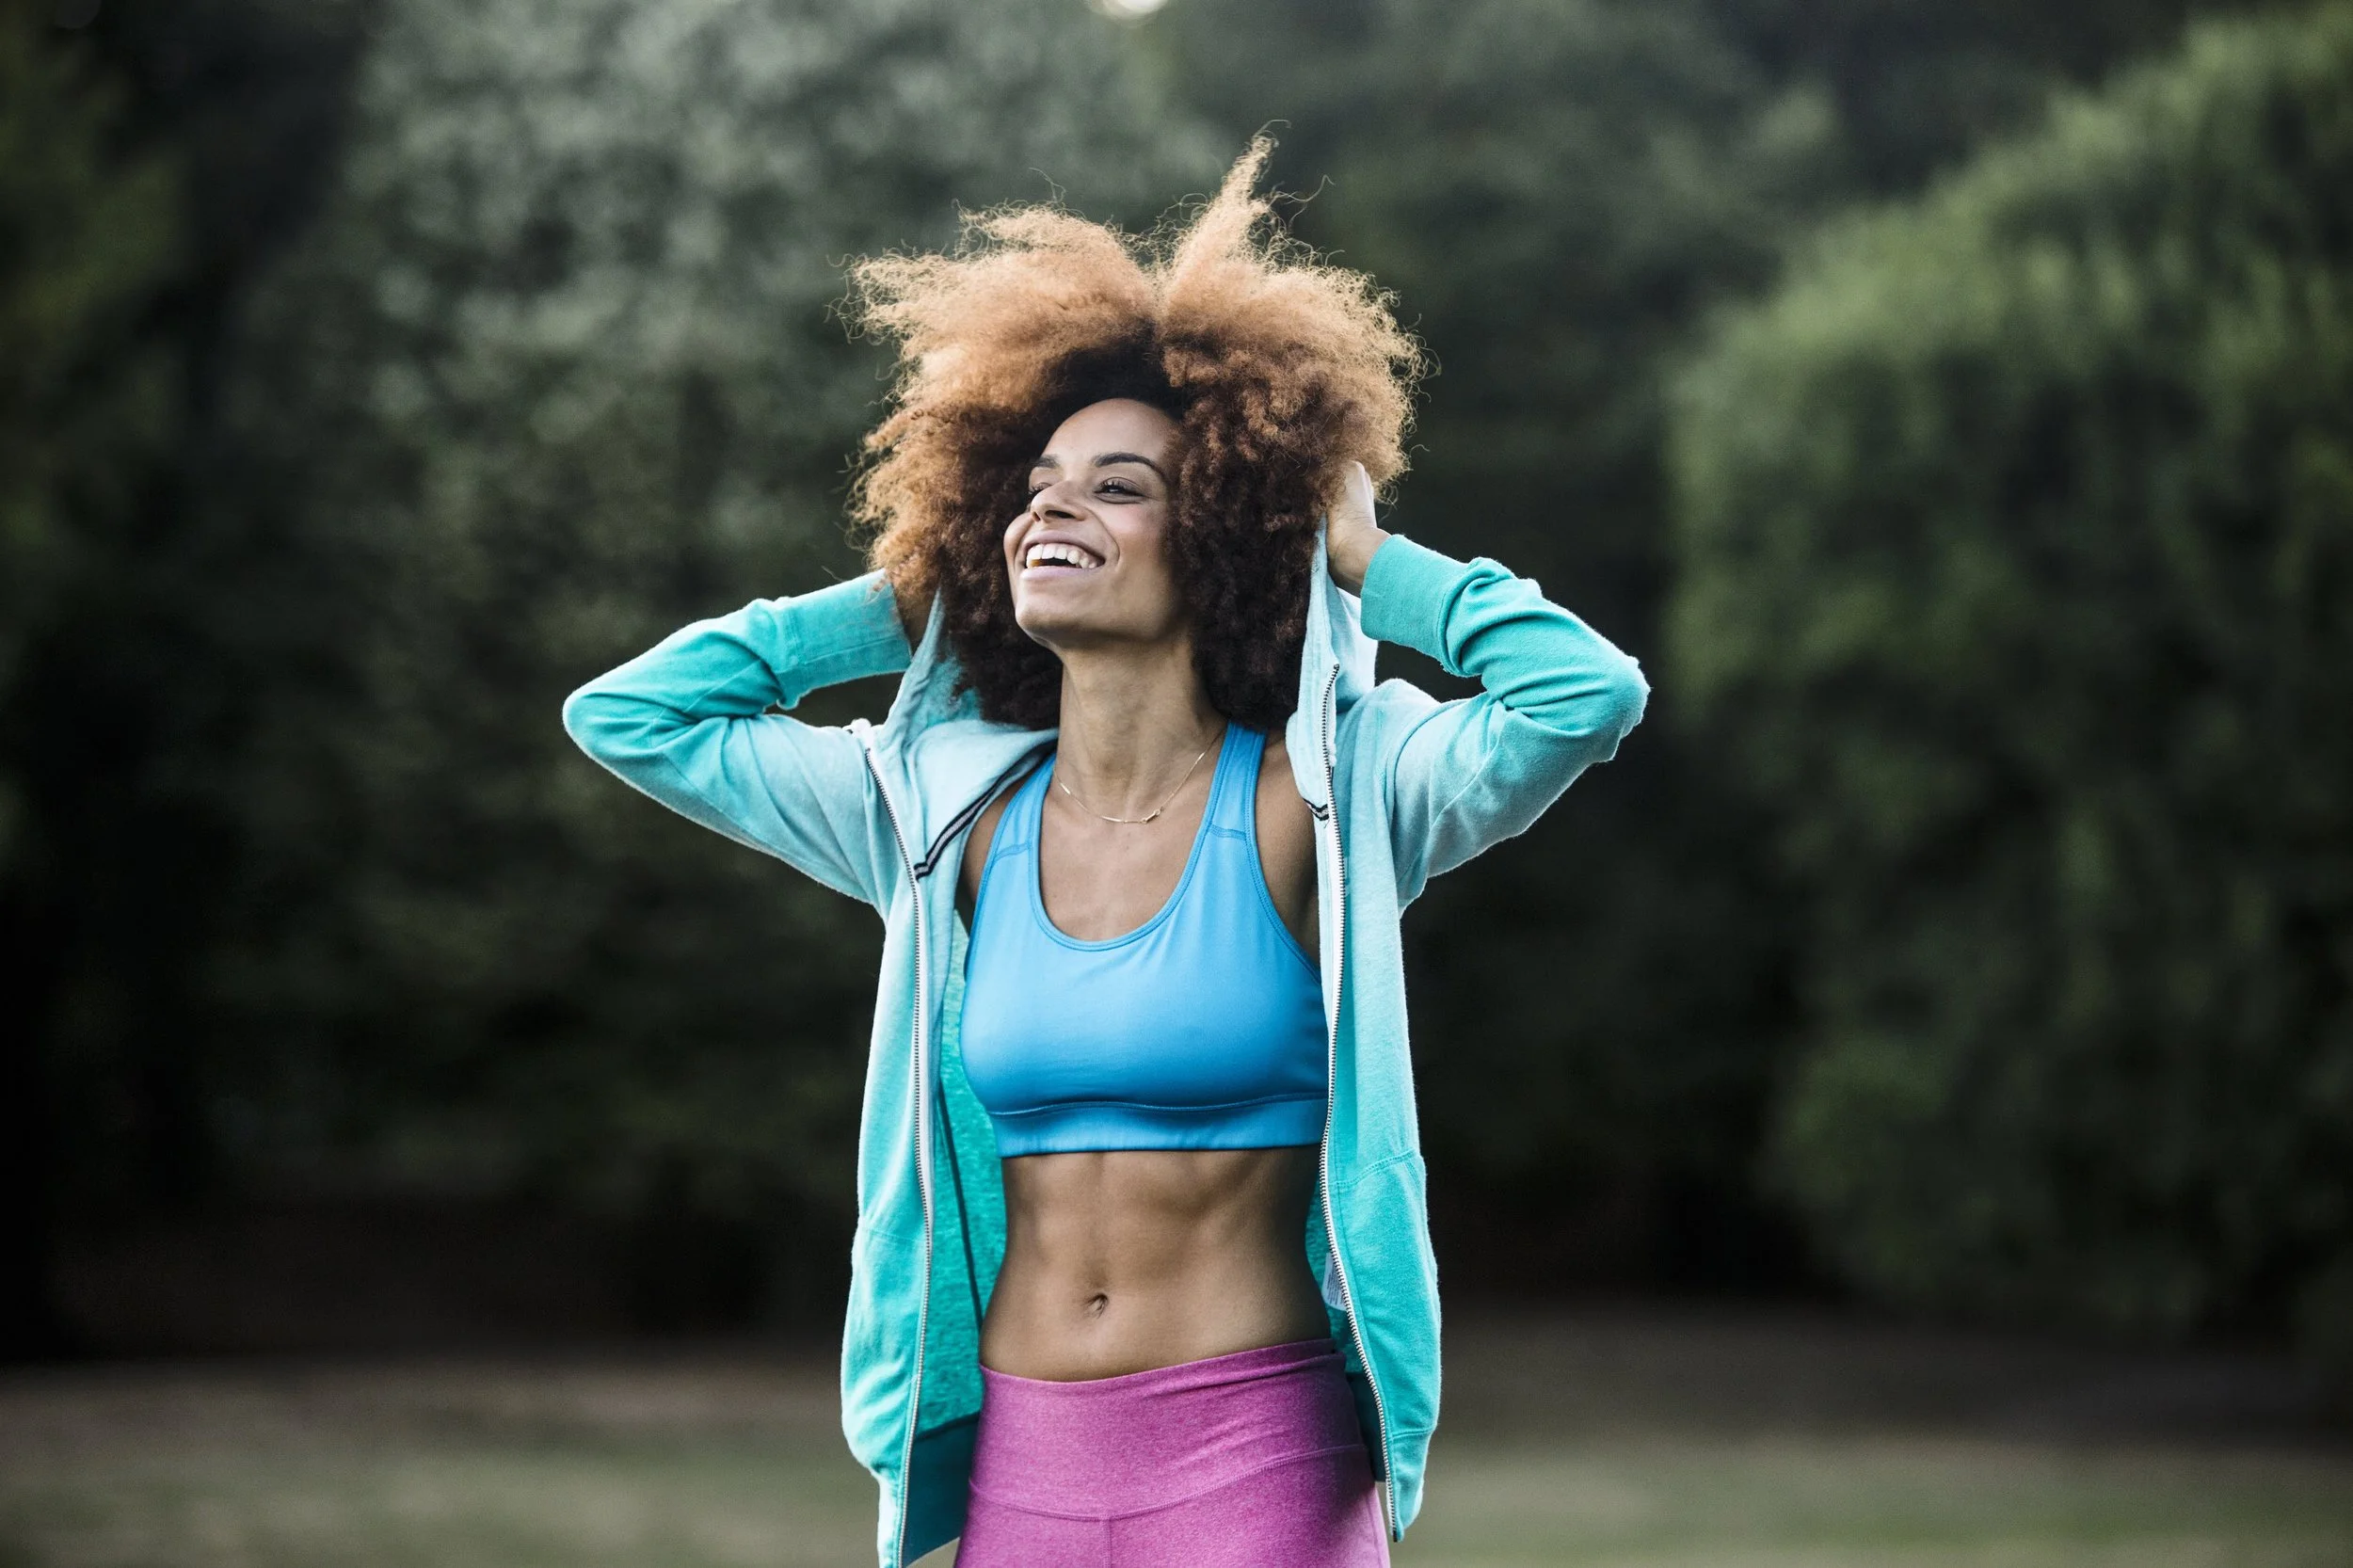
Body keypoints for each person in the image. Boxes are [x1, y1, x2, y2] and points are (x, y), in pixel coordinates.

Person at [563, 141, 1647, 1568]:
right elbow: (630, 716)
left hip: (1258, 1467)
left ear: (1222, 539)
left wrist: (1370, 561)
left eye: (1118, 488)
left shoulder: (1333, 797)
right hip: (1023, 1474)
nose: (1051, 509)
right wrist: (912, 596)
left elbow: (1585, 695)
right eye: (1033, 488)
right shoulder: (939, 816)